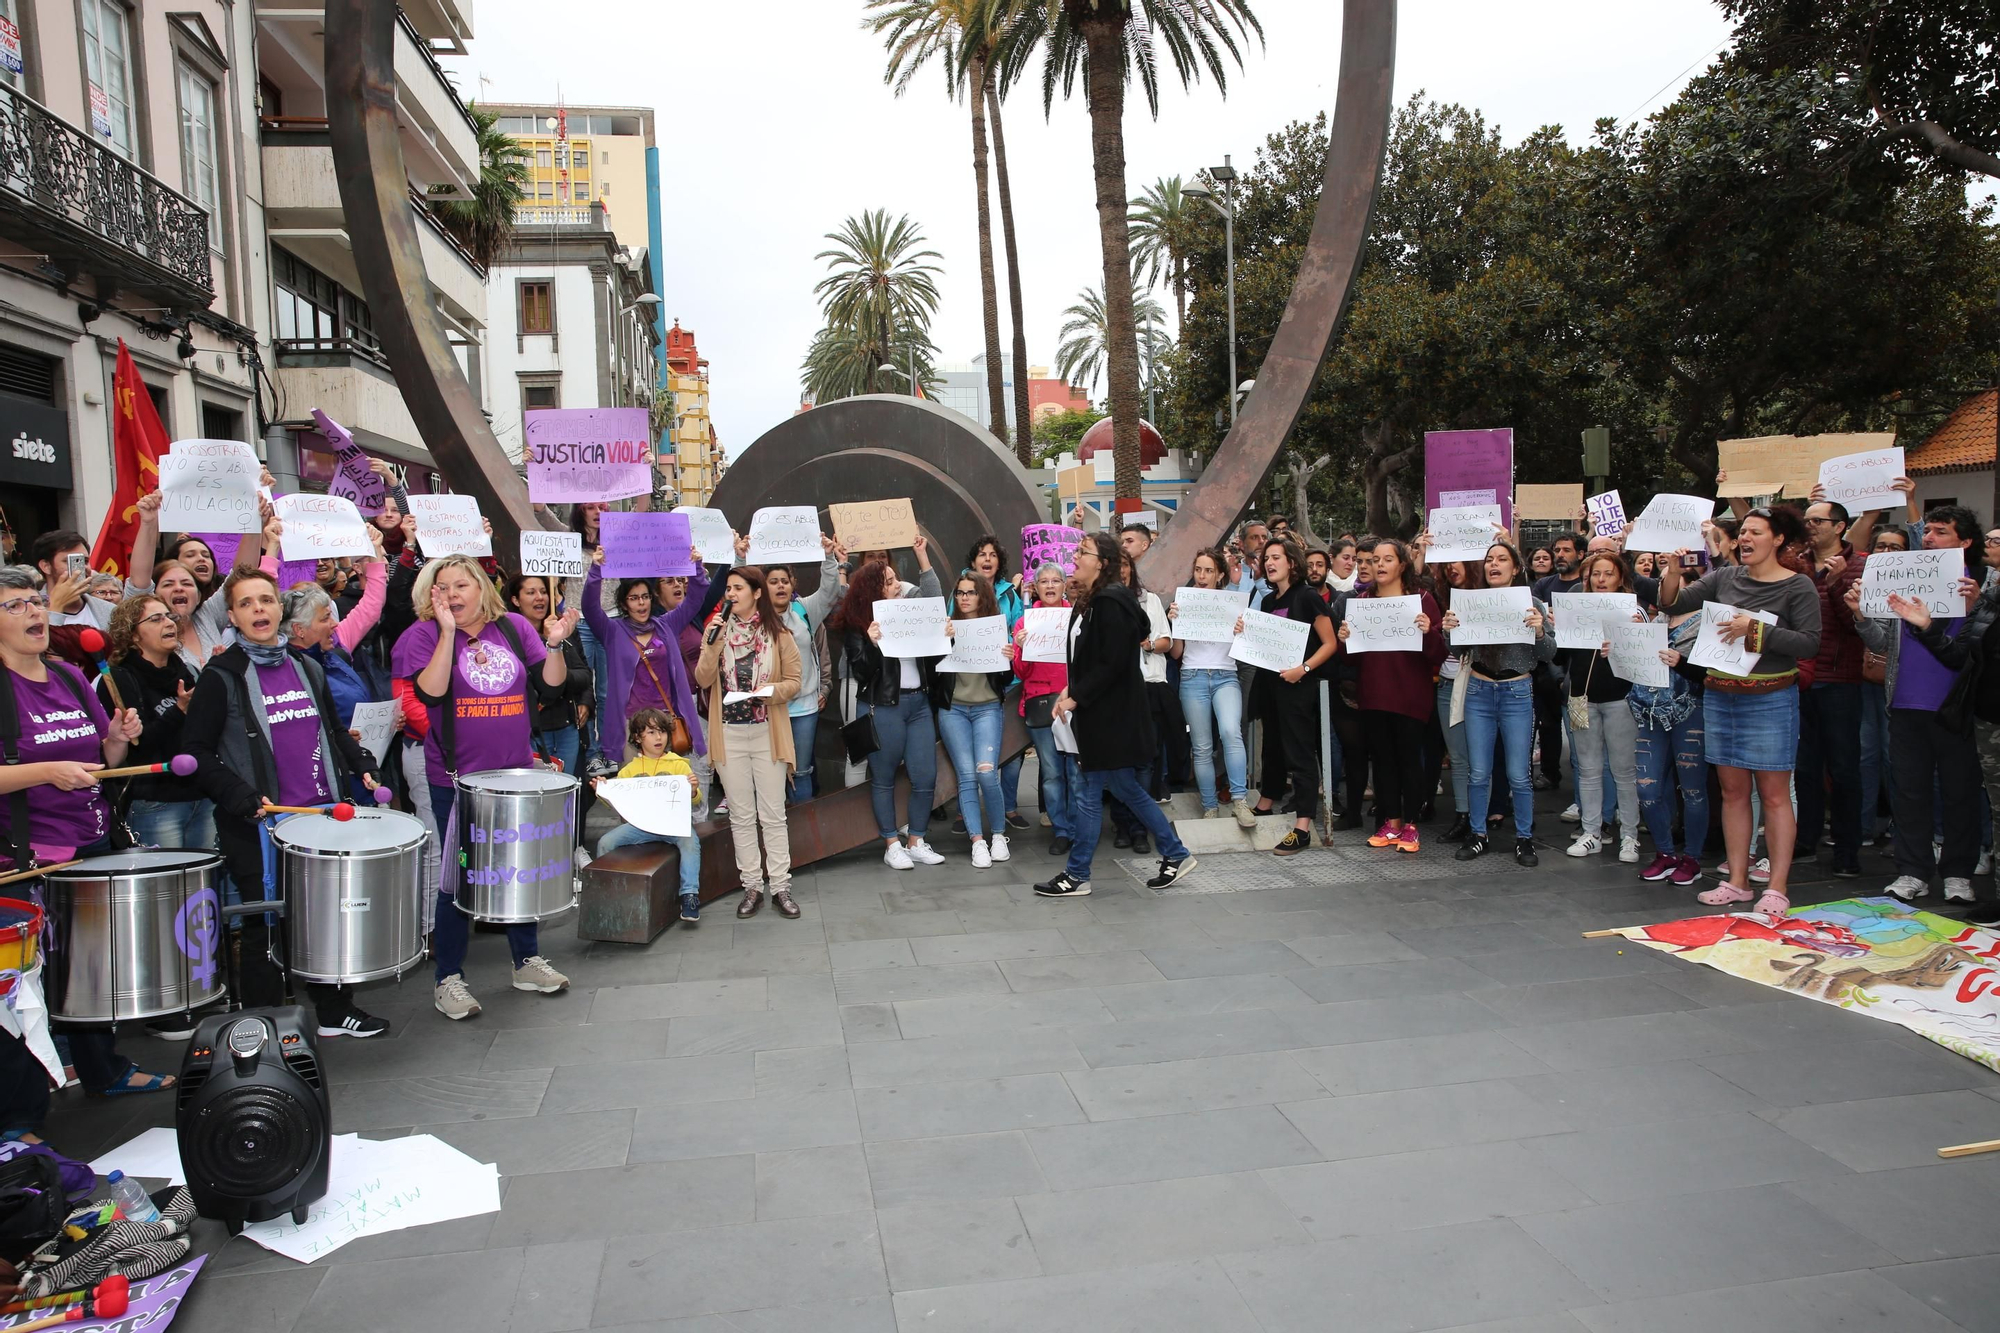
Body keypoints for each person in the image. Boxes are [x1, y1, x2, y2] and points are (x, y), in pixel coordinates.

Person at [182, 567, 392, 1038]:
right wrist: (238, 794)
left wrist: (360, 761)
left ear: (280, 609)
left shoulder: (306, 666)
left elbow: (333, 728)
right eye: (246, 603)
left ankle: (335, 1012)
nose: (258, 609)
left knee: (327, 918)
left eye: (266, 600)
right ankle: (265, 1030)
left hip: (320, 816)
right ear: (232, 617)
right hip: (259, 822)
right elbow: (194, 750)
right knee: (264, 927)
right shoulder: (222, 675)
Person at [0, 567, 176, 1100]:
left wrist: (120, 739)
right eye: (16, 605)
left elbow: (103, 757)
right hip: (28, 855)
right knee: (22, 990)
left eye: (36, 600)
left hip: (91, 840)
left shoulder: (70, 676)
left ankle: (104, 1070)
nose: (35, 610)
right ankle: (20, 1117)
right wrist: (46, 771)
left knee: (92, 970)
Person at [393, 555, 576, 1020]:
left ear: (481, 587)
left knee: (520, 868)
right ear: (429, 594)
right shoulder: (423, 635)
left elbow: (550, 687)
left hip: (516, 772)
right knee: (459, 876)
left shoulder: (513, 626)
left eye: (461, 585)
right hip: (456, 779)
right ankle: (448, 978)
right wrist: (448, 633)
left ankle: (526, 961)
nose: (453, 594)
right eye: (442, 587)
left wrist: (554, 645)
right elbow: (430, 694)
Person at [1658, 507, 1821, 914]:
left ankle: (1777, 887)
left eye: (1755, 532)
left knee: (1774, 796)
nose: (1745, 538)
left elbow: (1809, 643)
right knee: (1732, 794)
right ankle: (1737, 881)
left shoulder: (1797, 586)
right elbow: (1672, 600)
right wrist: (1673, 570)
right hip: (1721, 694)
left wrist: (1757, 631)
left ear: (1778, 539)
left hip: (1770, 698)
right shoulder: (1724, 577)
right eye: (1742, 532)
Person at [1033, 533, 1196, 898]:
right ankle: (1174, 852)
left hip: (1112, 718)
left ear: (1101, 562)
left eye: (1082, 552)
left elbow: (1114, 663)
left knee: (1092, 793)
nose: (1074, 556)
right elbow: (1088, 659)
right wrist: (1070, 688)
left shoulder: (1110, 602)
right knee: (1124, 789)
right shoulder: (1090, 600)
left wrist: (1077, 696)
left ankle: (1077, 875)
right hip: (1101, 715)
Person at [1851, 504, 1984, 904]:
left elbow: (1976, 649)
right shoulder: (1906, 581)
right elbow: (1881, 644)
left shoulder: (1983, 584)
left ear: (1965, 541)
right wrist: (1860, 616)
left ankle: (1959, 873)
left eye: (1940, 532)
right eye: (1926, 531)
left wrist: (1978, 606)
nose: (1928, 538)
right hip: (1906, 705)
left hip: (1956, 711)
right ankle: (1913, 871)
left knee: (1960, 793)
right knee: (1908, 792)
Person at [694, 564, 803, 918]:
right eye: (728, 588)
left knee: (772, 814)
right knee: (741, 816)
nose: (731, 594)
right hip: (728, 733)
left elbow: (794, 681)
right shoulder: (717, 632)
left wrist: (768, 693)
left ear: (757, 593)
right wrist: (712, 644)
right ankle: (752, 886)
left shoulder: (779, 633)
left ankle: (781, 887)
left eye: (738, 588)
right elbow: (703, 678)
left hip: (766, 731)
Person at [831, 540, 946, 870]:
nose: (899, 586)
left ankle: (917, 840)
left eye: (896, 579)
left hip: (919, 704)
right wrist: (871, 642)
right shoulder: (858, 625)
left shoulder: (912, 611)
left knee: (924, 776)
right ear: (875, 589)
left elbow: (935, 651)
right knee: (882, 776)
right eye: (891, 581)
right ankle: (891, 843)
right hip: (884, 706)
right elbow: (862, 670)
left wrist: (945, 636)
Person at [1444, 542, 1554, 866]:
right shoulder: (1470, 602)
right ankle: (1478, 835)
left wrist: (1538, 632)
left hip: (1516, 692)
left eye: (1501, 559)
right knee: (1478, 772)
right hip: (1478, 690)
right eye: (1489, 559)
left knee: (1519, 774)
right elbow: (1457, 650)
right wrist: (1447, 631)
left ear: (1515, 568)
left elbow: (1549, 653)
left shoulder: (1531, 604)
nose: (1494, 564)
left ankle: (1524, 838)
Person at [1336, 538, 1445, 852]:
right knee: (1382, 762)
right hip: (1373, 696)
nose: (1379, 565)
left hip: (1410, 696)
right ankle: (1391, 824)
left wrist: (1429, 632)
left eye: (1386, 560)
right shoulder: (1363, 601)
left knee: (1409, 760)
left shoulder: (1421, 599)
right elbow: (1351, 659)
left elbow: (1437, 653)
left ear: (1402, 565)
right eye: (1374, 560)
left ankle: (1411, 825)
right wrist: (1345, 640)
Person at [1243, 536, 1338, 854]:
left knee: (1299, 753)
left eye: (1275, 557)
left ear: (1291, 563)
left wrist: (1305, 670)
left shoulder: (1308, 597)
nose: (1269, 563)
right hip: (1272, 686)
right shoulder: (1269, 601)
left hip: (1298, 688)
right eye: (1266, 558)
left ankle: (1303, 826)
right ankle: (1266, 802)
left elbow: (1330, 643)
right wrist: (1245, 633)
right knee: (1272, 746)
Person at [582, 547, 711, 780]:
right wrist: (596, 570)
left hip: (667, 721)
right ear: (623, 604)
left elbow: (695, 598)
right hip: (632, 725)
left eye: (645, 597)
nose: (641, 604)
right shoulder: (612, 631)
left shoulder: (667, 624)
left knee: (671, 788)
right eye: (633, 598)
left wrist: (696, 567)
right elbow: (590, 609)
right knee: (636, 791)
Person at [1795, 499, 1868, 878]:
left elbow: (1857, 626)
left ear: (1840, 527)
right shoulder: (1797, 562)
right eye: (1807, 520)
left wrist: (1837, 583)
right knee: (1803, 767)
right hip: (1801, 676)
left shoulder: (1859, 566)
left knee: (1843, 769)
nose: (1810, 526)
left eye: (1818, 520)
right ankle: (1804, 839)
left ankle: (1847, 849)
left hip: (1840, 681)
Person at [100, 593, 207, 853]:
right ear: (133, 635)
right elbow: (137, 747)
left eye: (169, 617)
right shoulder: (118, 679)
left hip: (202, 797)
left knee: (203, 888)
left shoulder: (187, 670)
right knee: (164, 889)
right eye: (156, 619)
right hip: (154, 801)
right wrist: (179, 710)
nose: (170, 623)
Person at [1559, 551, 1644, 864]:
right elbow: (1559, 657)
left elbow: (1644, 653)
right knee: (1589, 770)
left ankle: (1630, 836)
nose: (1602, 579)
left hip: (1621, 699)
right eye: (1596, 574)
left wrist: (1631, 635)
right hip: (1582, 698)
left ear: (1620, 578)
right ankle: (1591, 831)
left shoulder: (1633, 610)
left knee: (1624, 771)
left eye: (1608, 573)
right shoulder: (1576, 609)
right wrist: (1557, 629)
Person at [933, 573, 1019, 868]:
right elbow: (932, 671)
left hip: (986, 709)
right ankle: (977, 841)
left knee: (986, 772)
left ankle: (998, 835)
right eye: (959, 593)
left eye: (970, 592)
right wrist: (940, 643)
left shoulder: (994, 629)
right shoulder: (945, 628)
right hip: (953, 710)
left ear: (982, 596)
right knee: (966, 775)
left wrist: (1008, 657)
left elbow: (1005, 678)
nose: (965, 597)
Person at [1629, 587, 1711, 886]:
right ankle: (1665, 854)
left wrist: (1682, 663)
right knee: (1647, 790)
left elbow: (1713, 671)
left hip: (1691, 713)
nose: (1663, 588)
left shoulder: (1707, 621)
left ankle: (1692, 858)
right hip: (1651, 714)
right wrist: (1623, 651)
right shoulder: (1656, 621)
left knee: (1692, 791)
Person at [1167, 547, 1253, 826]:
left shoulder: (1233, 605)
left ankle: (1240, 801)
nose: (1202, 576)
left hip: (1226, 676)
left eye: (1209, 571)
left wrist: (1243, 630)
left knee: (1231, 732)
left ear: (1219, 575)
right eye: (1198, 570)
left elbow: (1246, 650)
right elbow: (1177, 654)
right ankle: (1209, 805)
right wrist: (1175, 625)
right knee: (1202, 746)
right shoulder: (1185, 603)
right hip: (1192, 677)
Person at [594, 709, 703, 925]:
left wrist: (692, 790)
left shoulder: (679, 764)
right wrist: (602, 791)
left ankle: (689, 895)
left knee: (691, 842)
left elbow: (696, 800)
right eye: (651, 732)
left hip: (674, 825)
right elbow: (617, 802)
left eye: (662, 732)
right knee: (606, 842)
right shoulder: (629, 770)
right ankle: (606, 895)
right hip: (640, 827)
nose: (659, 737)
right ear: (637, 737)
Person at [768, 536, 846, 803]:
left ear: (793, 585)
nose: (780, 585)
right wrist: (741, 558)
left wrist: (828, 557)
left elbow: (829, 592)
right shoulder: (752, 616)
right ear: (762, 588)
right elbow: (735, 589)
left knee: (801, 772)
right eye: (773, 581)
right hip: (768, 709)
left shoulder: (804, 611)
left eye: (785, 581)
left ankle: (803, 838)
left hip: (803, 708)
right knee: (771, 774)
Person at [1013, 563, 1078, 853]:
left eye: (1055, 581)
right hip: (1040, 704)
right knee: (1051, 773)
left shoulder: (1076, 618)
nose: (1050, 586)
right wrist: (1022, 646)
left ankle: (1078, 828)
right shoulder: (1024, 622)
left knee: (1076, 771)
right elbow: (1021, 672)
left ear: (1065, 585)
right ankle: (1062, 830)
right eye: (1044, 582)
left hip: (1072, 703)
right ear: (1035, 588)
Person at [505, 573, 593, 778]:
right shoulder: (508, 635)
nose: (540, 597)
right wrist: (545, 642)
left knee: (564, 794)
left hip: (567, 728)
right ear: (516, 600)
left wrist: (586, 701)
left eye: (544, 592)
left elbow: (585, 675)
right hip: (533, 731)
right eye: (531, 592)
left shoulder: (565, 628)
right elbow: (538, 683)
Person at [1530, 533, 1584, 793]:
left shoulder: (1588, 588)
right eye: (1557, 550)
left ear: (1580, 555)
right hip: (1546, 666)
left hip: (1576, 667)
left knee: (1578, 733)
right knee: (1548, 723)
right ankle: (1550, 773)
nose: (1560, 555)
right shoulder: (1544, 585)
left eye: (1567, 550)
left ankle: (1582, 794)